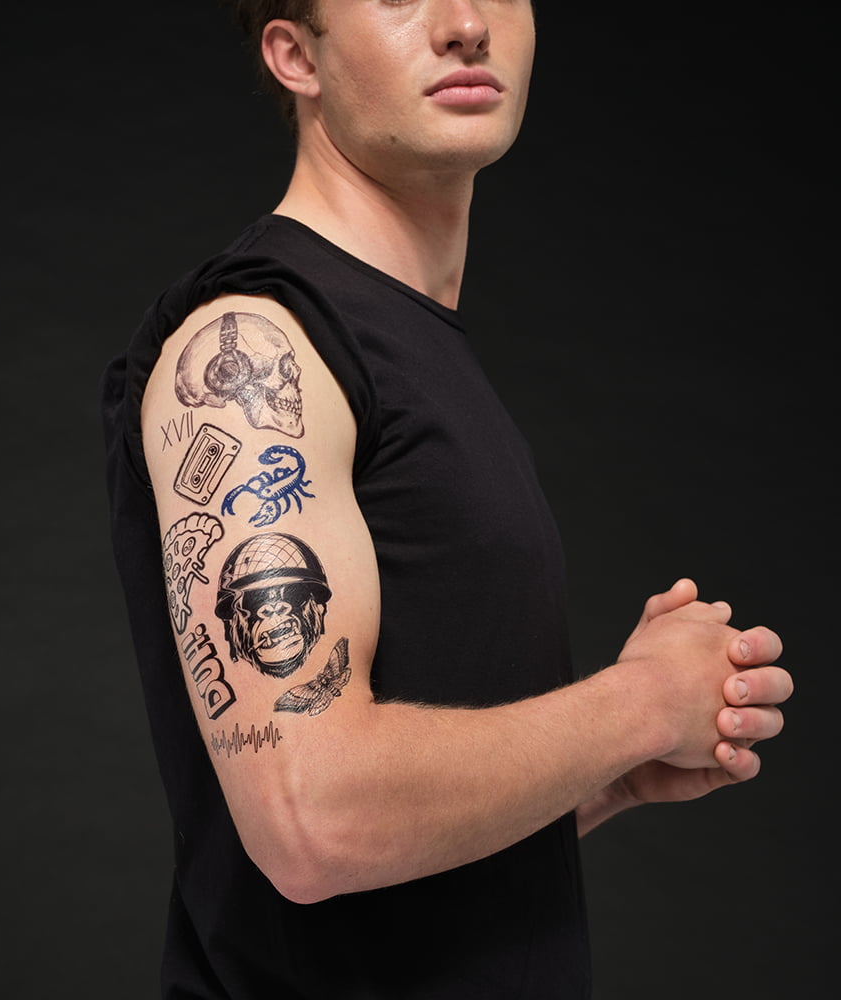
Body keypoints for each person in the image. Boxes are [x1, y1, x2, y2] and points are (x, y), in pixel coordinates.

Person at [101, 2, 794, 996]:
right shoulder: (258, 345)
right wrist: (641, 705)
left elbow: (373, 885)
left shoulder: (408, 341)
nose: (466, 23)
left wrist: (600, 779)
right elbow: (314, 821)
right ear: (297, 56)